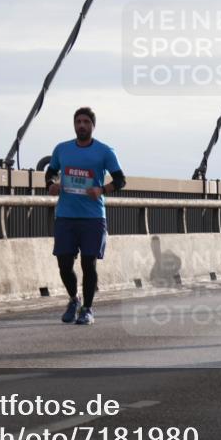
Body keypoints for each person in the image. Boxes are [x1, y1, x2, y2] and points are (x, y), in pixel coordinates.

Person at [45, 107, 125, 325]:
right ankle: (74, 299)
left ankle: (88, 309)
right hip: (66, 215)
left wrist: (102, 190)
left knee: (89, 265)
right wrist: (51, 184)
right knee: (64, 264)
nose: (82, 125)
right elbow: (50, 172)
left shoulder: (105, 151)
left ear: (93, 125)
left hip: (92, 217)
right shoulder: (62, 149)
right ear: (74, 125)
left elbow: (120, 180)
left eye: (86, 122)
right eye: (78, 122)